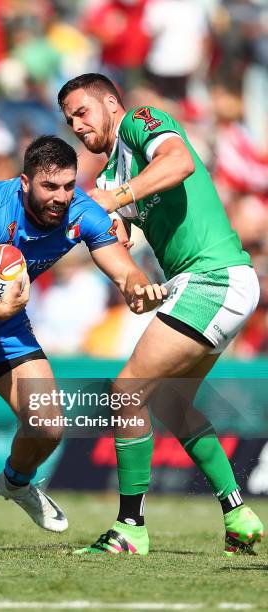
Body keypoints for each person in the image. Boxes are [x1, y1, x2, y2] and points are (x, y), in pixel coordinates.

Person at [0, 135, 163, 553]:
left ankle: (16, 483)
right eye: (49, 187)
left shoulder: (82, 212)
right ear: (24, 182)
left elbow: (123, 268)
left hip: (1, 317)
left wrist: (138, 286)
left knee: (48, 425)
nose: (60, 197)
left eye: (68, 186)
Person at [58, 73, 265, 556]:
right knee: (171, 403)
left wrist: (118, 199)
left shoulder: (140, 122)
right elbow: (114, 247)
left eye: (83, 112)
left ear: (111, 103)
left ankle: (130, 526)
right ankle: (239, 512)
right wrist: (133, 284)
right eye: (69, 120)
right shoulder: (107, 178)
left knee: (127, 391)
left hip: (213, 277)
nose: (76, 125)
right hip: (208, 283)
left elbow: (179, 162)